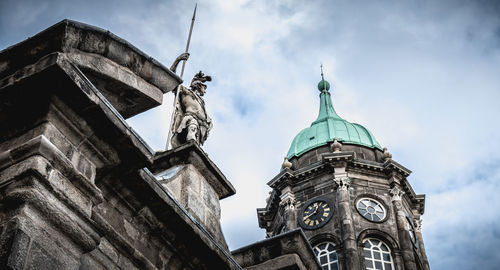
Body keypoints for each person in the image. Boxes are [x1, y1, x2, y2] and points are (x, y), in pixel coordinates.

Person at [171, 71, 212, 147]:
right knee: (192, 132)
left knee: (195, 145)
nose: (205, 91)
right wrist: (179, 60)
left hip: (201, 127)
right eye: (204, 87)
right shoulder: (186, 92)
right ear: (199, 85)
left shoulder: (201, 101)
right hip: (191, 119)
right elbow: (171, 80)